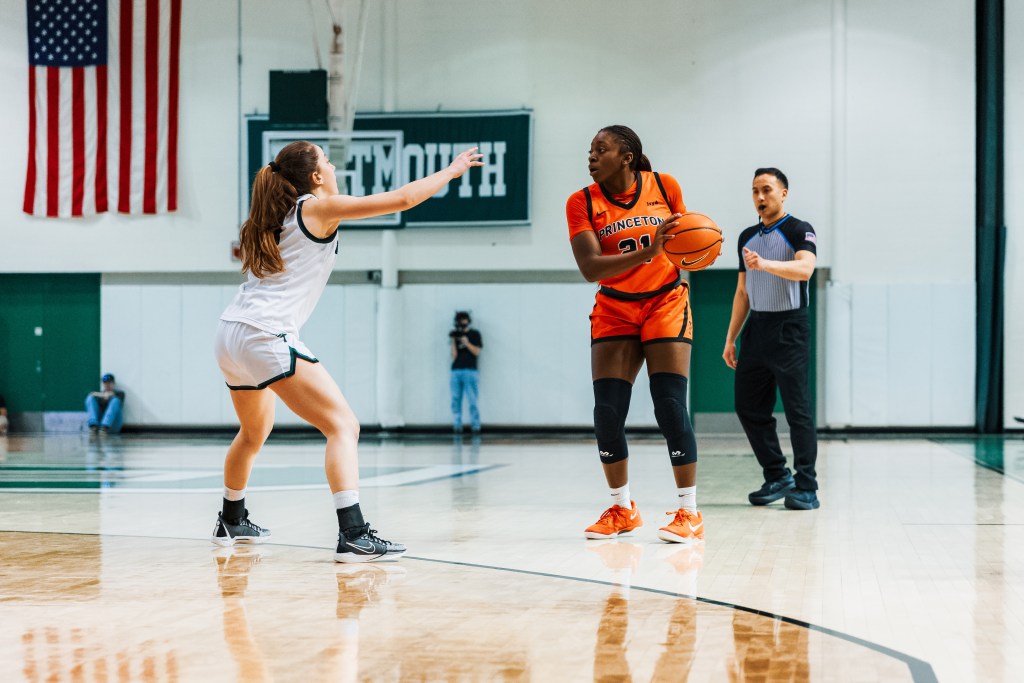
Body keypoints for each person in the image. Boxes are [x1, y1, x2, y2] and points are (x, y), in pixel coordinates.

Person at [212, 139, 482, 562]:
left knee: (254, 432)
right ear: (317, 177)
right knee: (344, 426)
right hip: (265, 334)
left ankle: (232, 516)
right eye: (328, 161)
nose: (335, 167)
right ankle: (353, 533)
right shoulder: (315, 207)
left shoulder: (278, 213)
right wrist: (450, 171)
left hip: (231, 334)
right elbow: (402, 199)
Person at [566, 125, 704, 544]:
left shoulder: (664, 185)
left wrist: (697, 248)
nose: (591, 156)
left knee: (669, 407)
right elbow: (591, 268)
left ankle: (689, 512)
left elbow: (684, 244)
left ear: (626, 157)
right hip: (615, 307)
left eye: (600, 149)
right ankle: (622, 508)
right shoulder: (581, 202)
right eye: (589, 150)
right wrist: (650, 250)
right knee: (607, 415)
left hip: (665, 302)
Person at [723, 167, 819, 510]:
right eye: (754, 191)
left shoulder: (799, 229)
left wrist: (765, 264)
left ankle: (806, 486)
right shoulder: (746, 237)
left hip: (789, 329)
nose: (760, 198)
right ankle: (777, 475)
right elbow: (742, 293)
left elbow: (805, 269)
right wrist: (731, 338)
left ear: (784, 193)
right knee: (747, 406)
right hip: (757, 329)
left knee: (797, 410)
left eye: (767, 190)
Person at [449, 311, 483, 433]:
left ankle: (476, 425)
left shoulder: (475, 334)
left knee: (472, 399)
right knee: (455, 399)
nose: (462, 323)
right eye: (460, 320)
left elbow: (477, 352)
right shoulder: (456, 335)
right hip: (456, 370)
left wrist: (467, 342)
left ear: (468, 320)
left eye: (464, 320)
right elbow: (453, 356)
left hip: (470, 370)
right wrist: (453, 340)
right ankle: (457, 425)